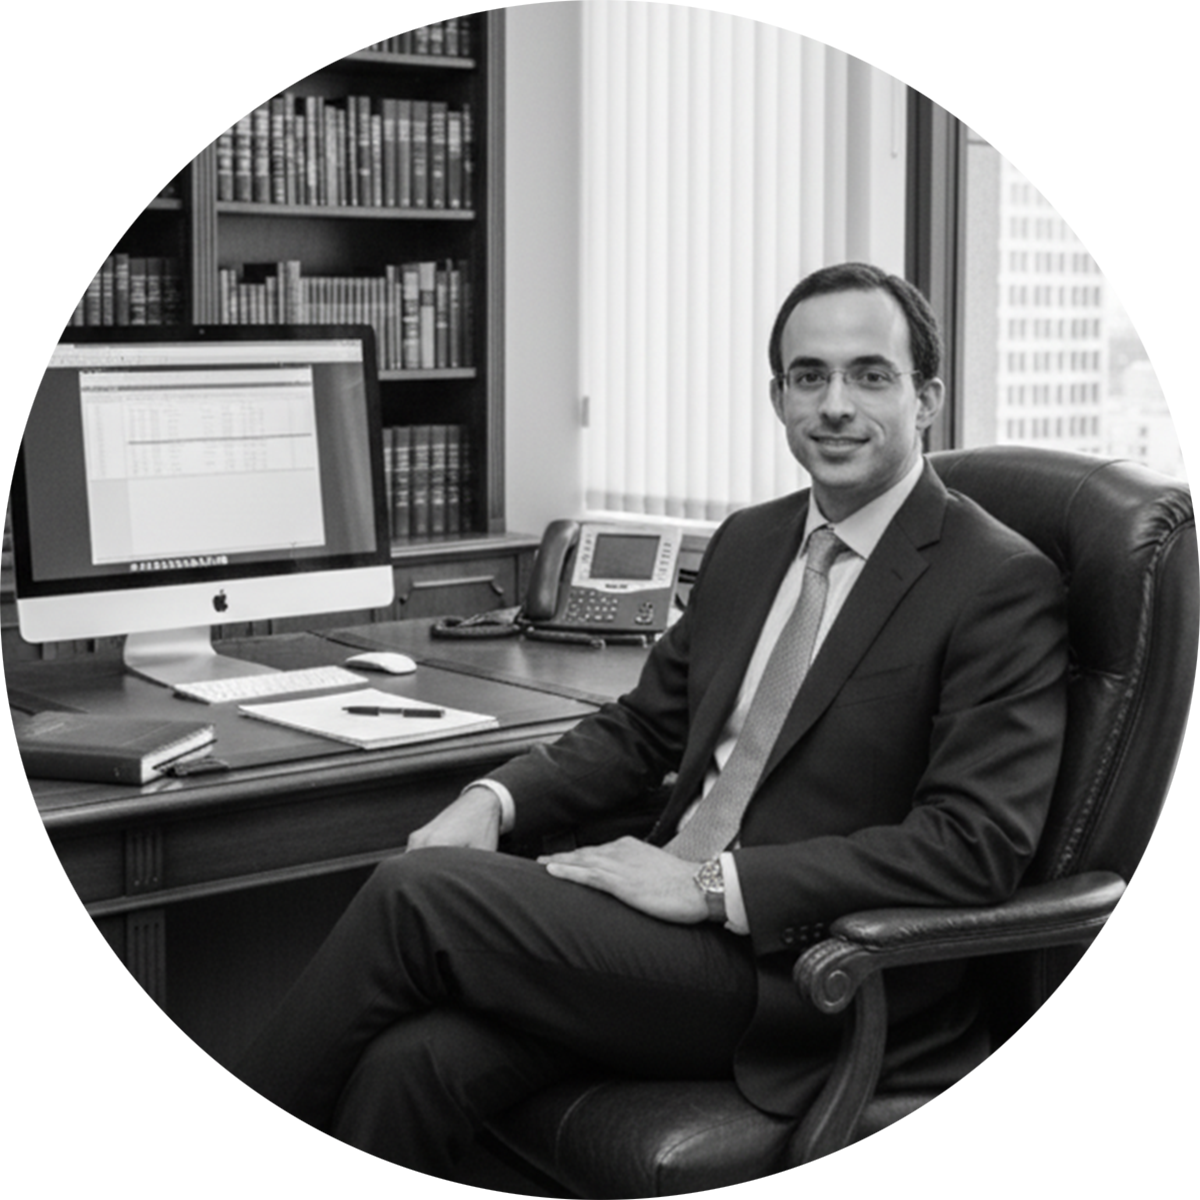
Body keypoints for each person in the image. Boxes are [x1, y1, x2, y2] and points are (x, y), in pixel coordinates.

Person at [234, 262, 1068, 1195]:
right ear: (777, 396)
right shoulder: (753, 541)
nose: (835, 404)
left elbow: (973, 846)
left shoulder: (997, 582)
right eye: (808, 377)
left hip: (804, 974)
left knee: (415, 896)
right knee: (410, 1069)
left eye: (870, 376)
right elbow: (640, 731)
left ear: (929, 399)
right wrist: (494, 796)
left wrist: (712, 886)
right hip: (664, 931)